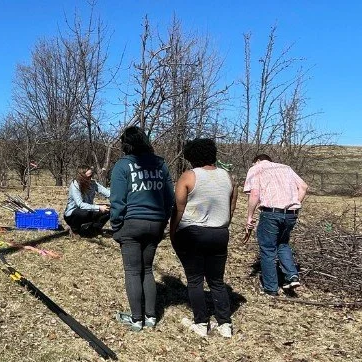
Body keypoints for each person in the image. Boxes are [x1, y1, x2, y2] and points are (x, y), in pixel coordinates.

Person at [108, 126, 174, 331]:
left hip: (131, 223)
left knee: (132, 271)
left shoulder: (122, 166)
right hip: (155, 223)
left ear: (125, 144)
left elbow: (117, 200)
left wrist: (116, 225)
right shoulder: (161, 165)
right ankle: (151, 318)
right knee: (147, 270)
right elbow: (169, 198)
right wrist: (162, 222)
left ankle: (137, 319)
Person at [170, 138, 237, 338]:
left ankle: (201, 322)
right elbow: (232, 206)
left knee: (195, 280)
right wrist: (222, 226)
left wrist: (173, 232)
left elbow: (178, 208)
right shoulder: (227, 177)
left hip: (193, 233)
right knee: (217, 280)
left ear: (192, 156)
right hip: (220, 232)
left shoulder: (188, 177)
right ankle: (225, 324)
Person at [243, 153, 308, 297]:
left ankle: (271, 288)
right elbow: (303, 187)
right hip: (291, 214)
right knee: (282, 244)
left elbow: (254, 194)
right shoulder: (286, 168)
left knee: (267, 249)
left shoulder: (257, 168)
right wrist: (292, 205)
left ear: (257, 161)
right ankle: (292, 275)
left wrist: (249, 217)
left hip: (270, 213)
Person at [65, 165, 111, 236]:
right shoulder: (75, 185)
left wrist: (117, 198)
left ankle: (94, 229)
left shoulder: (93, 183)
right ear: (82, 176)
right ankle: (74, 230)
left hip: (88, 211)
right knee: (84, 212)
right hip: (73, 214)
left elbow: (106, 192)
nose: (91, 178)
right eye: (88, 177)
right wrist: (99, 207)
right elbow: (80, 205)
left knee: (109, 209)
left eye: (91, 175)